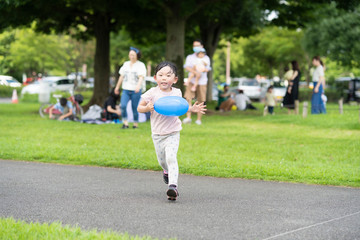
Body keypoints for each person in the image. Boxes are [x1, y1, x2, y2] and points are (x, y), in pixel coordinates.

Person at [137, 61, 206, 201]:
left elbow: (179, 108)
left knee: (171, 158)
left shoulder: (177, 92)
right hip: (157, 134)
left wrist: (191, 109)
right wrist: (147, 108)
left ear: (174, 80)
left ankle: (173, 187)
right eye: (161, 75)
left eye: (168, 75)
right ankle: (166, 171)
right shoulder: (151, 93)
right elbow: (139, 108)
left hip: (173, 132)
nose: (164, 78)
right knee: (163, 162)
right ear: (155, 78)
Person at [114, 46, 146, 129]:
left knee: (134, 107)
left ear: (137, 55)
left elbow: (141, 77)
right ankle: (125, 123)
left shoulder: (141, 65)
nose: (131, 57)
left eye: (133, 55)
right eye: (130, 55)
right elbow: (121, 76)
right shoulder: (126, 64)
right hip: (126, 89)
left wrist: (138, 87)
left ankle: (135, 124)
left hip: (135, 90)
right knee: (123, 106)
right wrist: (117, 87)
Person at [183, 39, 211, 125]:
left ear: (202, 46)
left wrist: (203, 70)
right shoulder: (190, 57)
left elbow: (208, 68)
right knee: (188, 98)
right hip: (191, 80)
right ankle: (188, 117)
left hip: (202, 82)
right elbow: (186, 67)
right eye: (194, 45)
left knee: (201, 100)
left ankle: (199, 119)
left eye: (197, 45)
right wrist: (195, 72)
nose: (195, 47)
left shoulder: (206, 58)